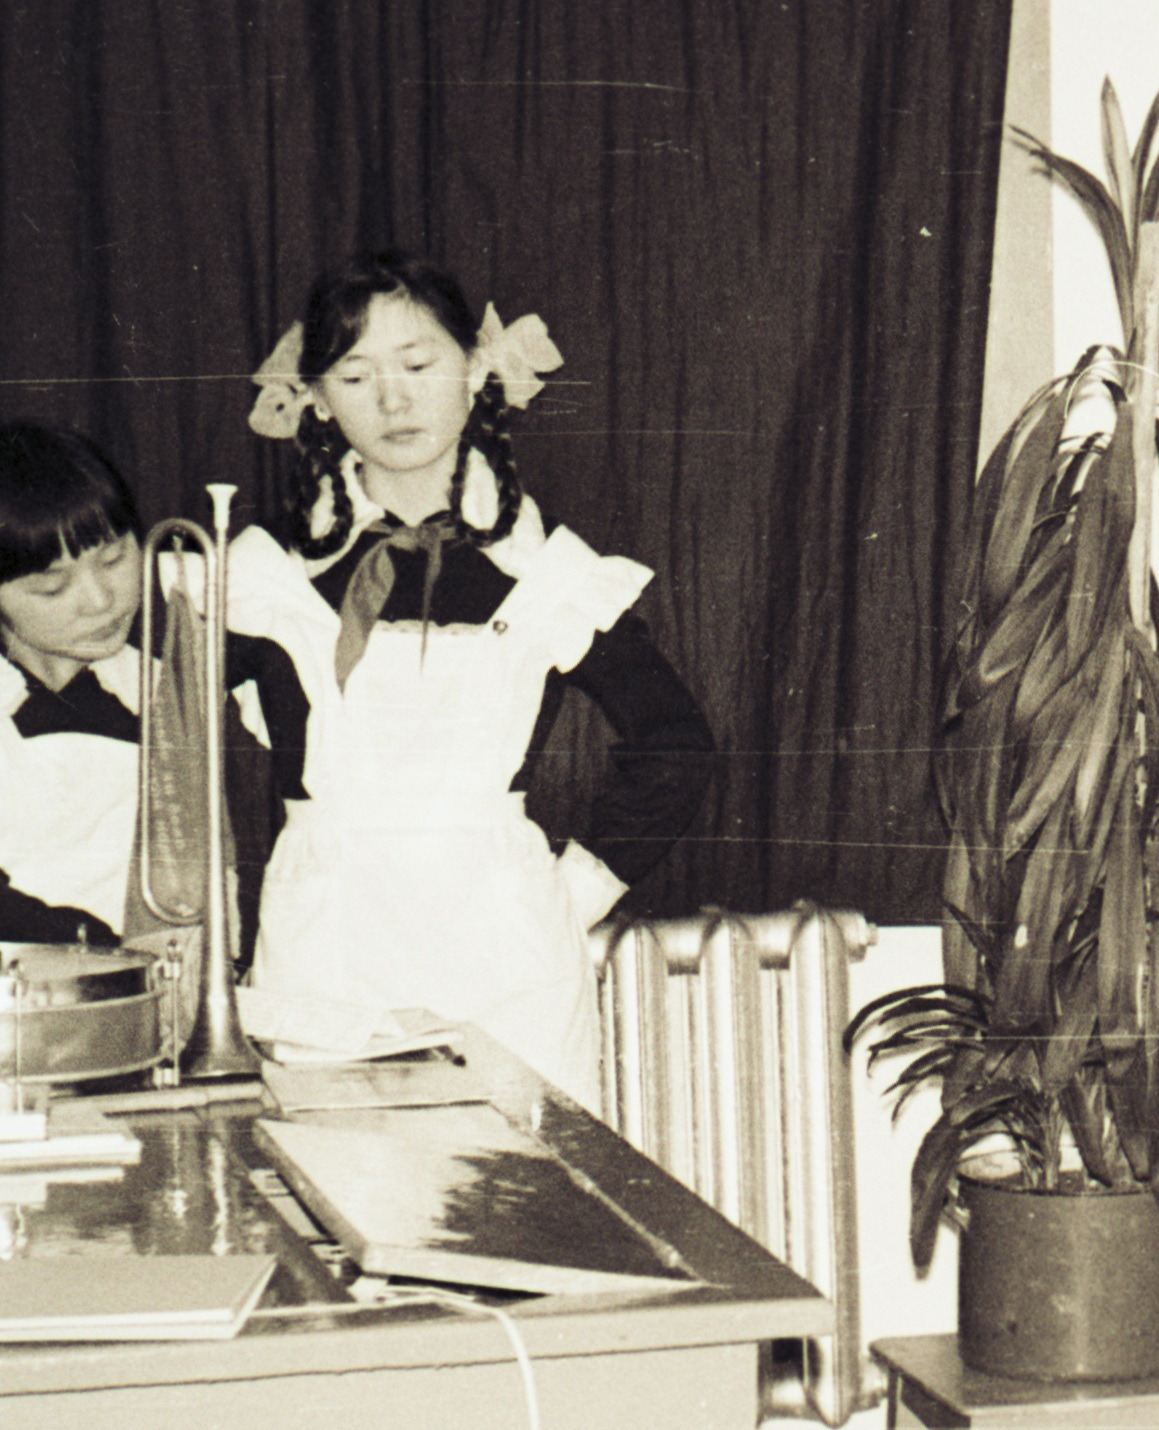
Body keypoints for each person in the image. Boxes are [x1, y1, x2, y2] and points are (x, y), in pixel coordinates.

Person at [226, 250, 713, 1102]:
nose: (393, 400)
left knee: (517, 1180)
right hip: (326, 953)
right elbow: (167, 741)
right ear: (317, 398)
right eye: (356, 376)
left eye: (418, 366)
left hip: (506, 964)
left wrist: (567, 895)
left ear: (476, 369)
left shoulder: (547, 568)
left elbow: (675, 744)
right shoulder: (265, 568)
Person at [0, 419, 301, 948]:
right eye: (51, 588)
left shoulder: (167, 686)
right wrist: (100, 950)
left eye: (114, 559)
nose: (100, 600)